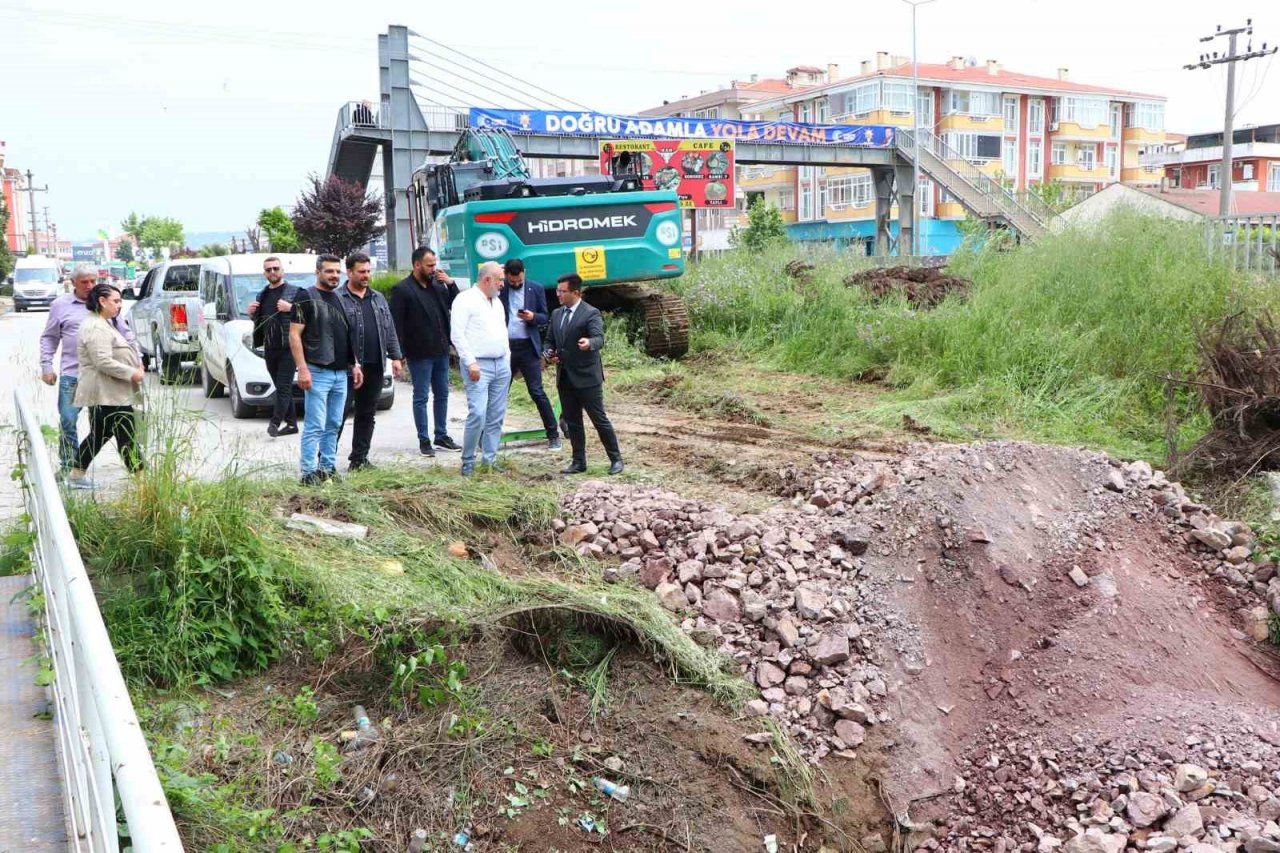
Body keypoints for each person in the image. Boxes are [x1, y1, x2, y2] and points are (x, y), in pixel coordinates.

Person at [40, 264, 139, 471]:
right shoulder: (61, 305)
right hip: (73, 374)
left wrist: (136, 359)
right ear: (73, 282)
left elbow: (125, 333)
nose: (90, 285)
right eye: (84, 282)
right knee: (68, 420)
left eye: (93, 281)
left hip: (101, 379)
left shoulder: (106, 305)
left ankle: (80, 467)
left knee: (101, 428)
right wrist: (47, 365)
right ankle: (69, 466)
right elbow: (50, 337)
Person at [289, 254, 362, 485]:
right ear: (318, 272)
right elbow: (294, 335)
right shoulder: (305, 297)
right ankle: (308, 472)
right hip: (317, 371)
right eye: (329, 271)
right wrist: (302, 369)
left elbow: (345, 335)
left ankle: (327, 468)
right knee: (315, 424)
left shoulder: (338, 298)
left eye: (337, 272)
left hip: (341, 374)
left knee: (334, 424)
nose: (334, 276)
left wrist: (355, 364)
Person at [67, 283, 145, 489]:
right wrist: (132, 373)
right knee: (127, 436)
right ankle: (144, 481)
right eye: (116, 301)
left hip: (109, 392)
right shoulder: (96, 326)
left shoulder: (103, 323)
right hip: (107, 393)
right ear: (102, 301)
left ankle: (76, 474)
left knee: (99, 435)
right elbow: (102, 361)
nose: (119, 306)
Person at [546, 274, 623, 476]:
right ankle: (579, 461)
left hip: (587, 377)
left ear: (576, 293)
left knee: (599, 419)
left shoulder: (590, 313)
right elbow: (549, 341)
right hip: (565, 376)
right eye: (557, 291)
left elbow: (599, 338)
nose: (559, 295)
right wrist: (549, 353)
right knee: (573, 422)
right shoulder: (556, 314)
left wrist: (589, 343)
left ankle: (616, 459)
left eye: (563, 292)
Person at [389, 247, 461, 457]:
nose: (433, 269)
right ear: (417, 264)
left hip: (440, 349)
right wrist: (397, 355)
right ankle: (424, 439)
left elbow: (455, 306)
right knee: (421, 396)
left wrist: (451, 284)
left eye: (434, 264)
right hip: (419, 352)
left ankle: (441, 435)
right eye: (429, 265)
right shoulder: (402, 290)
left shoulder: (438, 286)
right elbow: (396, 324)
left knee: (442, 394)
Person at [337, 251, 403, 471]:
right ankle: (325, 461)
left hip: (374, 365)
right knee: (338, 415)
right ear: (349, 272)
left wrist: (395, 356)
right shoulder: (338, 298)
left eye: (368, 271)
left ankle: (359, 459)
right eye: (361, 272)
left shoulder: (378, 298)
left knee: (367, 414)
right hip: (347, 368)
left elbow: (390, 327)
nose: (366, 275)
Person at [449, 261, 510, 476]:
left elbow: (503, 332)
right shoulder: (465, 300)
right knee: (478, 413)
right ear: (487, 280)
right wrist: (470, 362)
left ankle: (489, 460)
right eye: (500, 280)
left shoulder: (497, 302)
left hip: (501, 363)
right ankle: (468, 461)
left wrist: (507, 359)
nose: (503, 284)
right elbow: (457, 334)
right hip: (478, 365)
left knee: (496, 415)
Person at [498, 259, 560, 450]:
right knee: (499, 393)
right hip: (505, 348)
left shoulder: (536, 288)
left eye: (519, 281)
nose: (516, 284)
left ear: (524, 273)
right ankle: (489, 434)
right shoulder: (499, 288)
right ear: (506, 275)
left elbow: (545, 316)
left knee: (536, 391)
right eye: (512, 282)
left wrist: (533, 317)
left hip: (528, 347)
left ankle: (553, 434)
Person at [247, 256, 302, 437]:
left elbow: (310, 315)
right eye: (269, 269)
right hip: (270, 348)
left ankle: (275, 422)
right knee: (280, 387)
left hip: (289, 347)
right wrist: (252, 314)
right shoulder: (261, 295)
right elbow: (260, 322)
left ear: (282, 270)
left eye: (276, 268)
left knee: (284, 386)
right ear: (264, 273)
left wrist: (291, 308)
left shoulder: (295, 292)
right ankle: (292, 425)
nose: (272, 272)